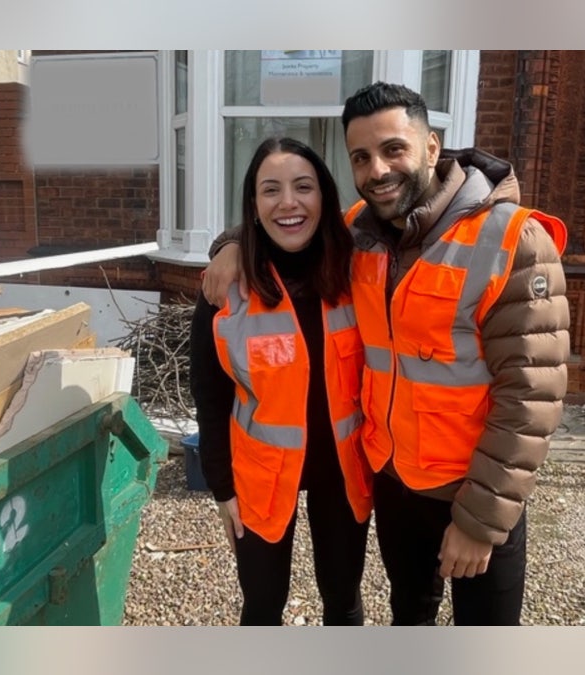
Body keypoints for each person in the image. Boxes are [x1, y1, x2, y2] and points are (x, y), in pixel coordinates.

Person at [201, 82, 570, 626]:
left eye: (393, 149)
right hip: (397, 485)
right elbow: (288, 224)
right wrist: (230, 246)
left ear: (431, 147)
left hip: (473, 488)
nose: (378, 170)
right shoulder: (361, 236)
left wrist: (479, 520)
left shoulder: (512, 239)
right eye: (361, 157)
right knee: (409, 621)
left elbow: (531, 396)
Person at [189, 136, 373, 626]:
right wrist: (222, 488)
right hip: (260, 474)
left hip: (343, 468)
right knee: (264, 604)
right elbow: (208, 396)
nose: (288, 202)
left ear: (325, 197)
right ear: (253, 205)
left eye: (303, 187)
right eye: (271, 190)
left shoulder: (360, 270)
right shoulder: (225, 288)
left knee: (343, 598)